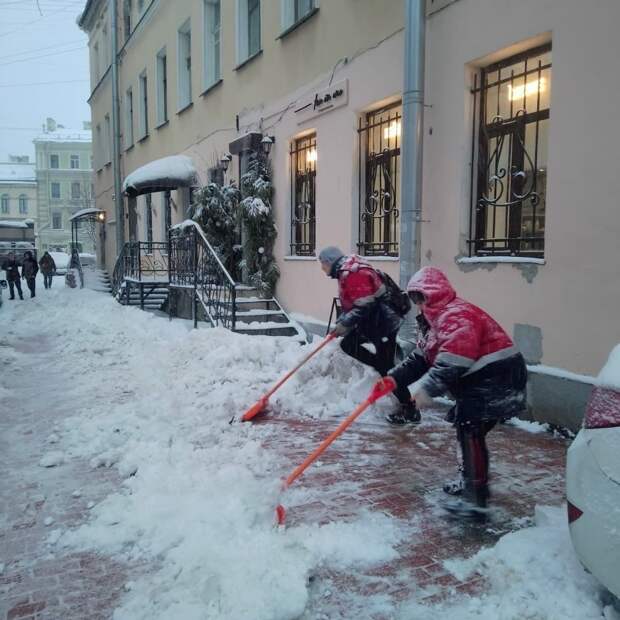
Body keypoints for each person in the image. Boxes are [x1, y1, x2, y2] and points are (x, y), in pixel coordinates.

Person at [378, 266, 527, 517]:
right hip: (482, 379)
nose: (418, 304)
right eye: (414, 299)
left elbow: (453, 361)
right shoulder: (434, 321)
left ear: (435, 293)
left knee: (470, 430)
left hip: (498, 377)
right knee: (468, 429)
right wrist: (393, 379)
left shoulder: (457, 315)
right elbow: (421, 358)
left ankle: (475, 500)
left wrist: (427, 390)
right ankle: (470, 481)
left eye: (421, 297)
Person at [318, 246, 421, 425]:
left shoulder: (351, 273)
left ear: (330, 261)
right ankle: (382, 364)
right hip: (373, 323)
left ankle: (410, 408)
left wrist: (345, 323)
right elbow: (354, 304)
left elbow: (365, 305)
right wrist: (342, 322)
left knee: (387, 370)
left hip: (384, 324)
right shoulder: (347, 271)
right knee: (348, 344)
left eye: (322, 263)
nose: (322, 268)